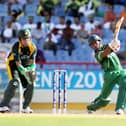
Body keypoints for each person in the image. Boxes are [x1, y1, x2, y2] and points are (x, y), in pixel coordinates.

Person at [87, 34, 126, 115]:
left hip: (120, 71)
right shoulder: (97, 54)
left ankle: (120, 108)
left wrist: (116, 45)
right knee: (104, 99)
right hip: (109, 75)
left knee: (125, 83)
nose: (94, 45)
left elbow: (117, 51)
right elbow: (105, 53)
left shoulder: (107, 46)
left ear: (99, 41)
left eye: (95, 42)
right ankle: (92, 107)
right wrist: (111, 45)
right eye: (91, 44)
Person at [0, 28, 37, 113]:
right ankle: (3, 105)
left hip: (25, 65)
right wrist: (24, 72)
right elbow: (18, 64)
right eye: (24, 39)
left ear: (30, 39)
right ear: (20, 40)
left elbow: (33, 63)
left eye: (28, 39)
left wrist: (30, 70)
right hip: (13, 65)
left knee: (31, 83)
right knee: (15, 82)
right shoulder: (16, 46)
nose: (26, 41)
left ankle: (26, 107)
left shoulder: (33, 47)